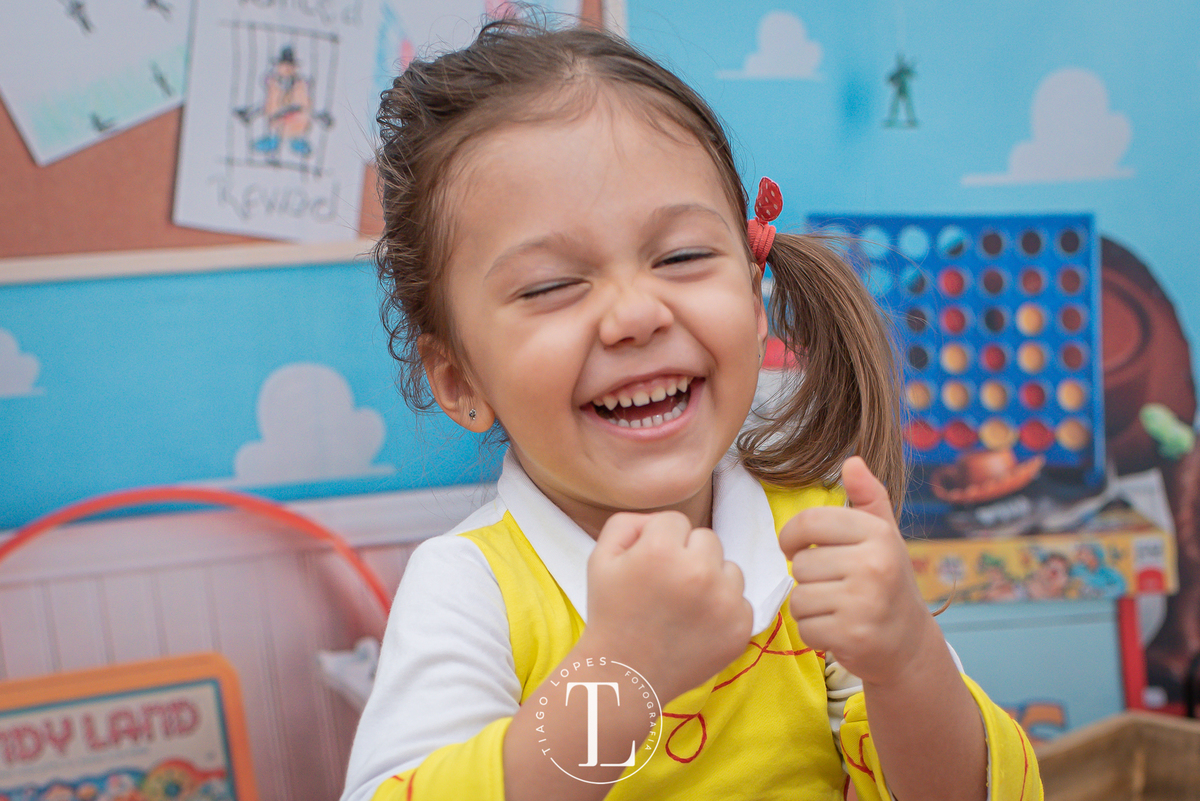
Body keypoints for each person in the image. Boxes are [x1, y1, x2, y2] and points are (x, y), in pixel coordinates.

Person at [341, 17, 1040, 801]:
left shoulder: (811, 538)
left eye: (680, 256)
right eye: (551, 286)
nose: (636, 314)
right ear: (459, 380)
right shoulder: (472, 590)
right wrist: (622, 675)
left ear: (754, 297)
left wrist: (905, 658)